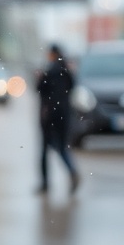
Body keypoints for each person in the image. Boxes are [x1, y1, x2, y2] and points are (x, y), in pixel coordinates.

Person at [34, 44, 80, 195]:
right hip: (64, 115)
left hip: (49, 116)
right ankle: (72, 171)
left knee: (45, 150)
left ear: (53, 54)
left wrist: (40, 77)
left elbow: (40, 89)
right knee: (61, 147)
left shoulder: (49, 71)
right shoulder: (66, 71)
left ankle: (45, 183)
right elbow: (72, 87)